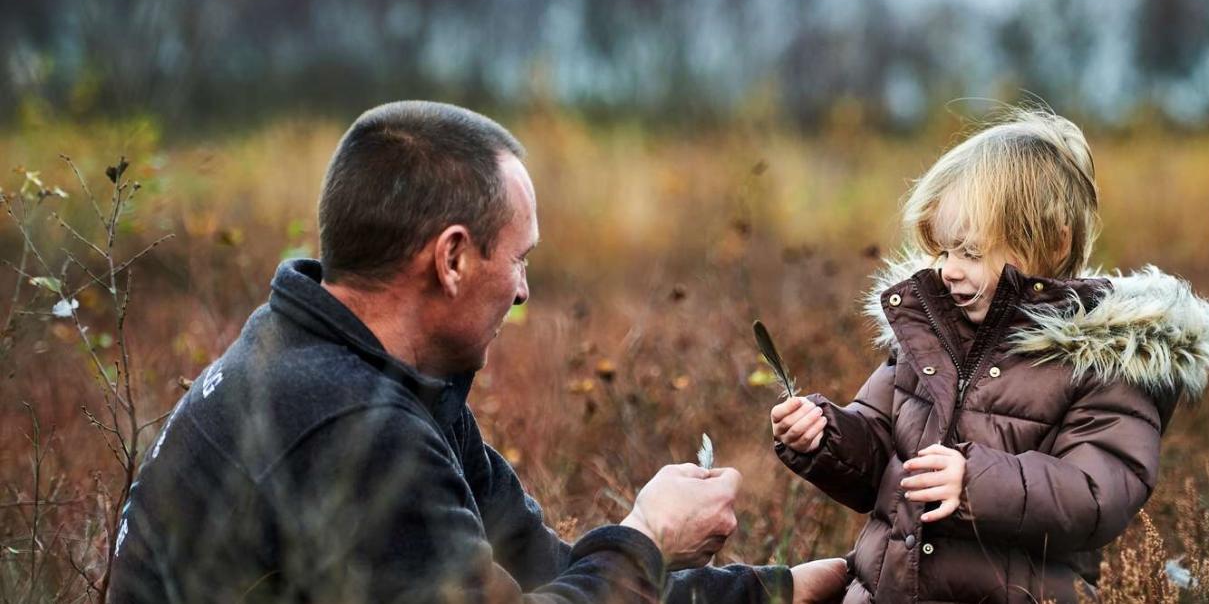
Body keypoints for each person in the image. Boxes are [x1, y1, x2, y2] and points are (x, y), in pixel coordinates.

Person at [109, 100, 847, 603]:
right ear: (453, 258)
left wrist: (778, 589)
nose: (524, 291)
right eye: (520, 258)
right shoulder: (345, 422)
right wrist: (648, 536)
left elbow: (544, 571)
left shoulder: (378, 371)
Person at [769, 108, 1209, 603]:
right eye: (943, 249)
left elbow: (1095, 495)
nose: (948, 270)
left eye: (970, 251)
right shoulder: (929, 338)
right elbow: (880, 451)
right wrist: (825, 436)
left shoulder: (1103, 363)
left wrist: (974, 482)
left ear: (1049, 244)